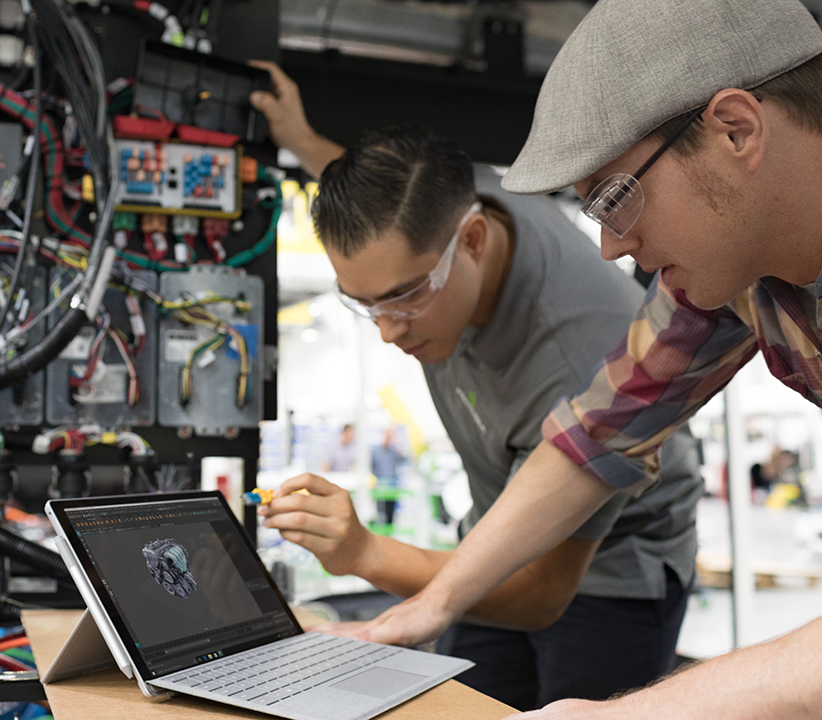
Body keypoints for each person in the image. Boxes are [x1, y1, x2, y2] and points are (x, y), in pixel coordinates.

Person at [278, 0, 822, 717]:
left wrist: (617, 713)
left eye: (618, 198)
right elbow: (596, 433)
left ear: (735, 130)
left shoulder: (591, 314)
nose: (609, 248)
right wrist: (431, 606)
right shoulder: (726, 277)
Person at [249, 68, 703, 710]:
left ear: (473, 241)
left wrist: (365, 552)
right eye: (362, 303)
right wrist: (301, 142)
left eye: (403, 298)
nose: (385, 330)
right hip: (491, 539)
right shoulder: (440, 199)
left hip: (609, 571)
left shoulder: (579, 357)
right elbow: (382, 210)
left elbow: (542, 597)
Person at [370, 427, 406, 526]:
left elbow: (405, 459)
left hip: (392, 487)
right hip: (380, 488)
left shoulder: (394, 452)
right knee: (380, 515)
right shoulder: (376, 452)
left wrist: (396, 443)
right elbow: (371, 467)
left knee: (391, 515)